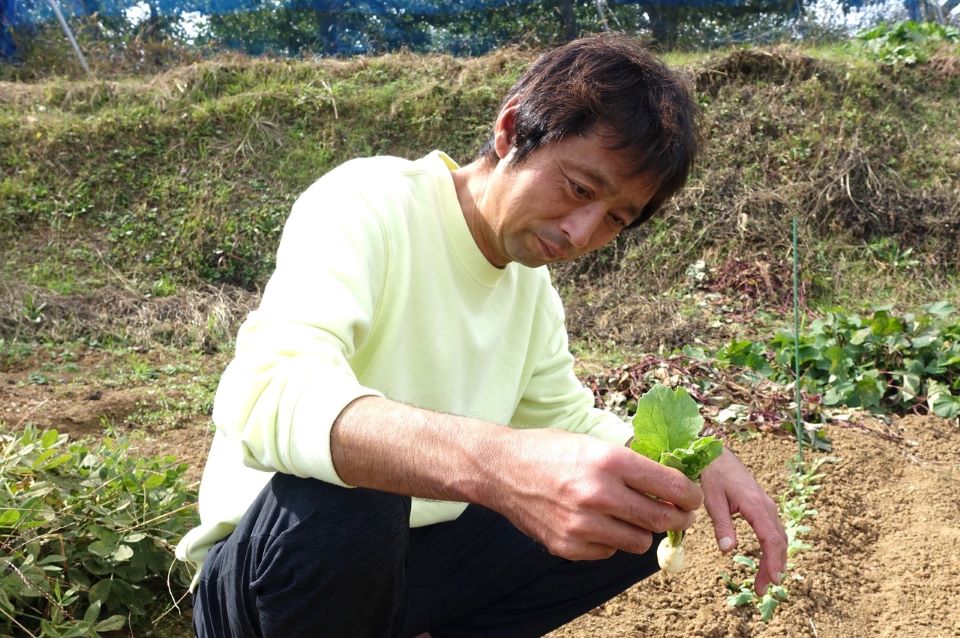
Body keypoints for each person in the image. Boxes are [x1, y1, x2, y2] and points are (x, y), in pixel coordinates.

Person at [176, 33, 787, 638]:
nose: (580, 232)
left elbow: (567, 421)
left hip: (407, 575)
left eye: (614, 219)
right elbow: (264, 393)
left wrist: (698, 456)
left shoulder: (531, 292)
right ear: (511, 131)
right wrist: (496, 464)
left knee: (632, 500)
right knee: (358, 488)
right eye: (579, 189)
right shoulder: (369, 202)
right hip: (272, 578)